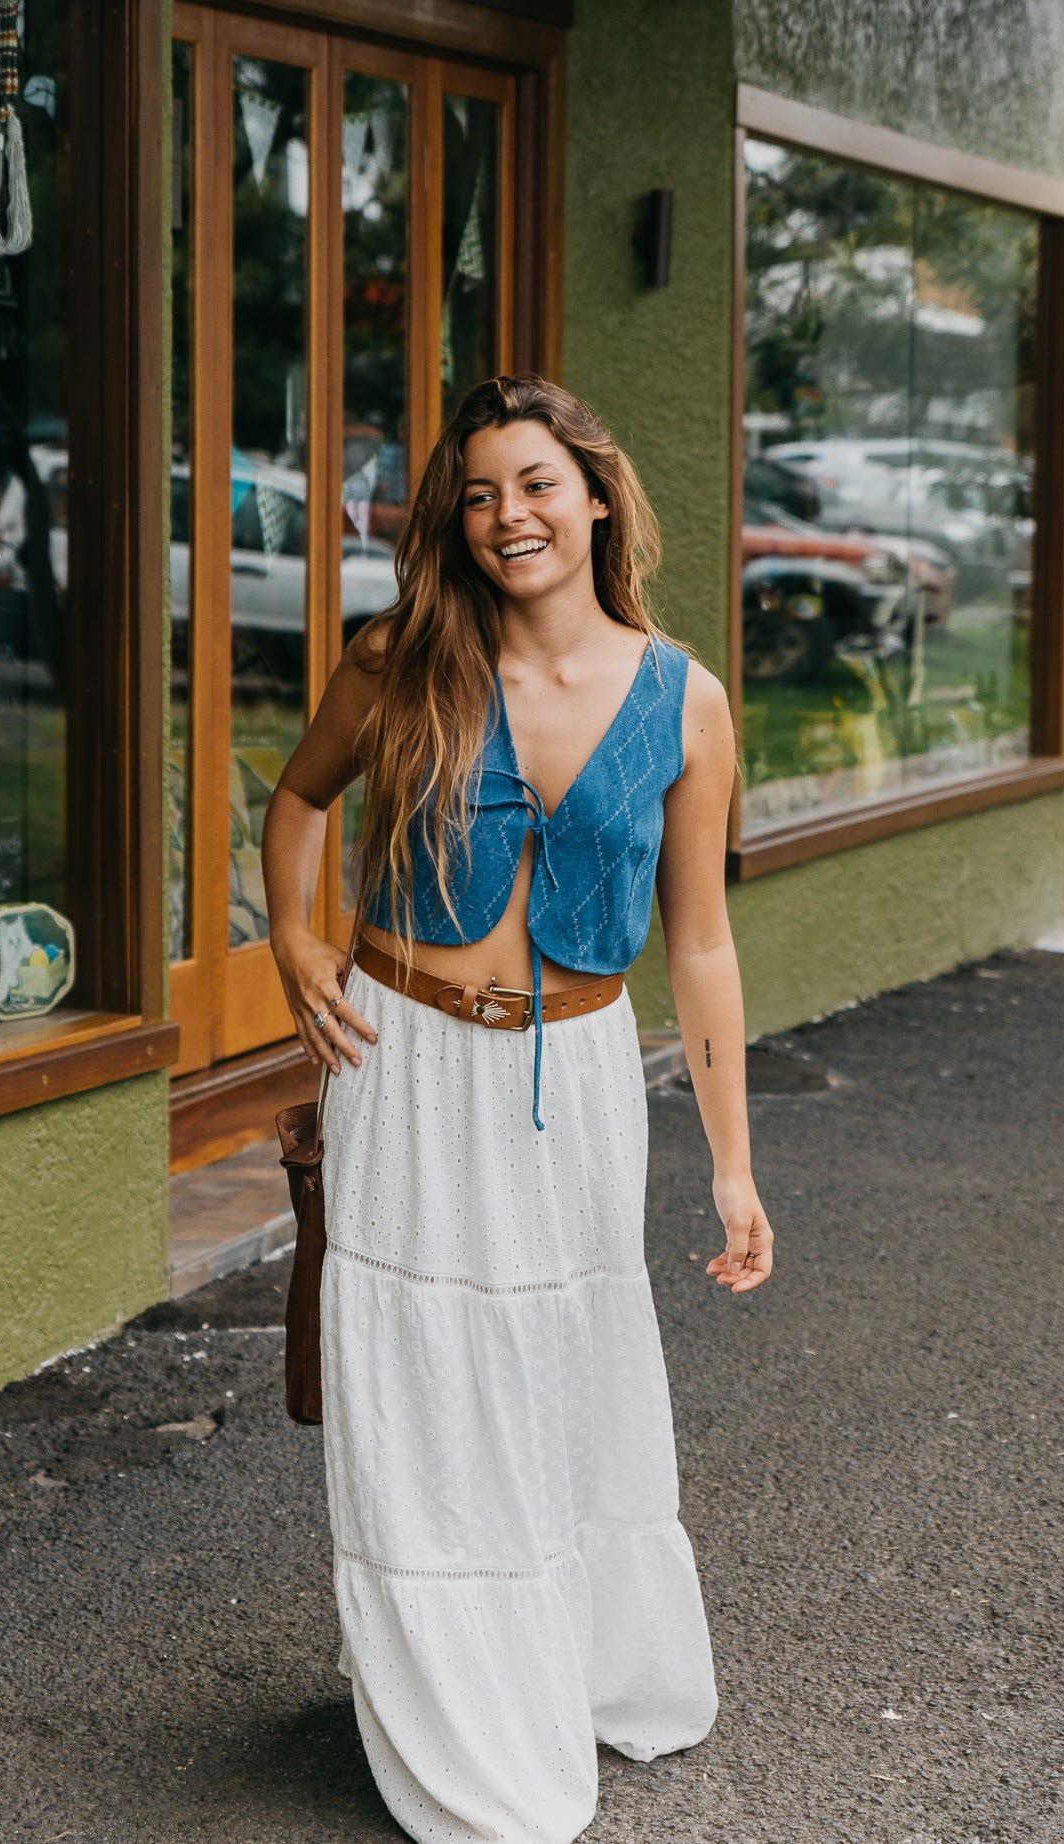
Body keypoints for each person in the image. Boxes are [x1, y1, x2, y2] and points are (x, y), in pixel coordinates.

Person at [262, 375, 773, 1844]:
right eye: (479, 494)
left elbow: (701, 943)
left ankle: (568, 1663)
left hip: (583, 1076)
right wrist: (294, 940)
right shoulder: (402, 657)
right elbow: (296, 802)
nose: (507, 518)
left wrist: (732, 1169)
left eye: (536, 484)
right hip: (406, 1063)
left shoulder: (688, 701)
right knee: (421, 1376)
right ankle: (448, 1701)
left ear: (596, 496)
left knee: (558, 1374)